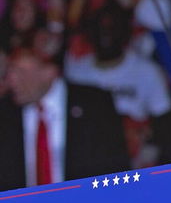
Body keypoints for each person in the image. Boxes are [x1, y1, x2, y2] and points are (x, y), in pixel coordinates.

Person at [0, 44, 129, 191]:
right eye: (10, 72)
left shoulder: (94, 104)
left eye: (21, 72)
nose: (12, 80)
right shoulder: (6, 114)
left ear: (50, 72)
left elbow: (115, 166)